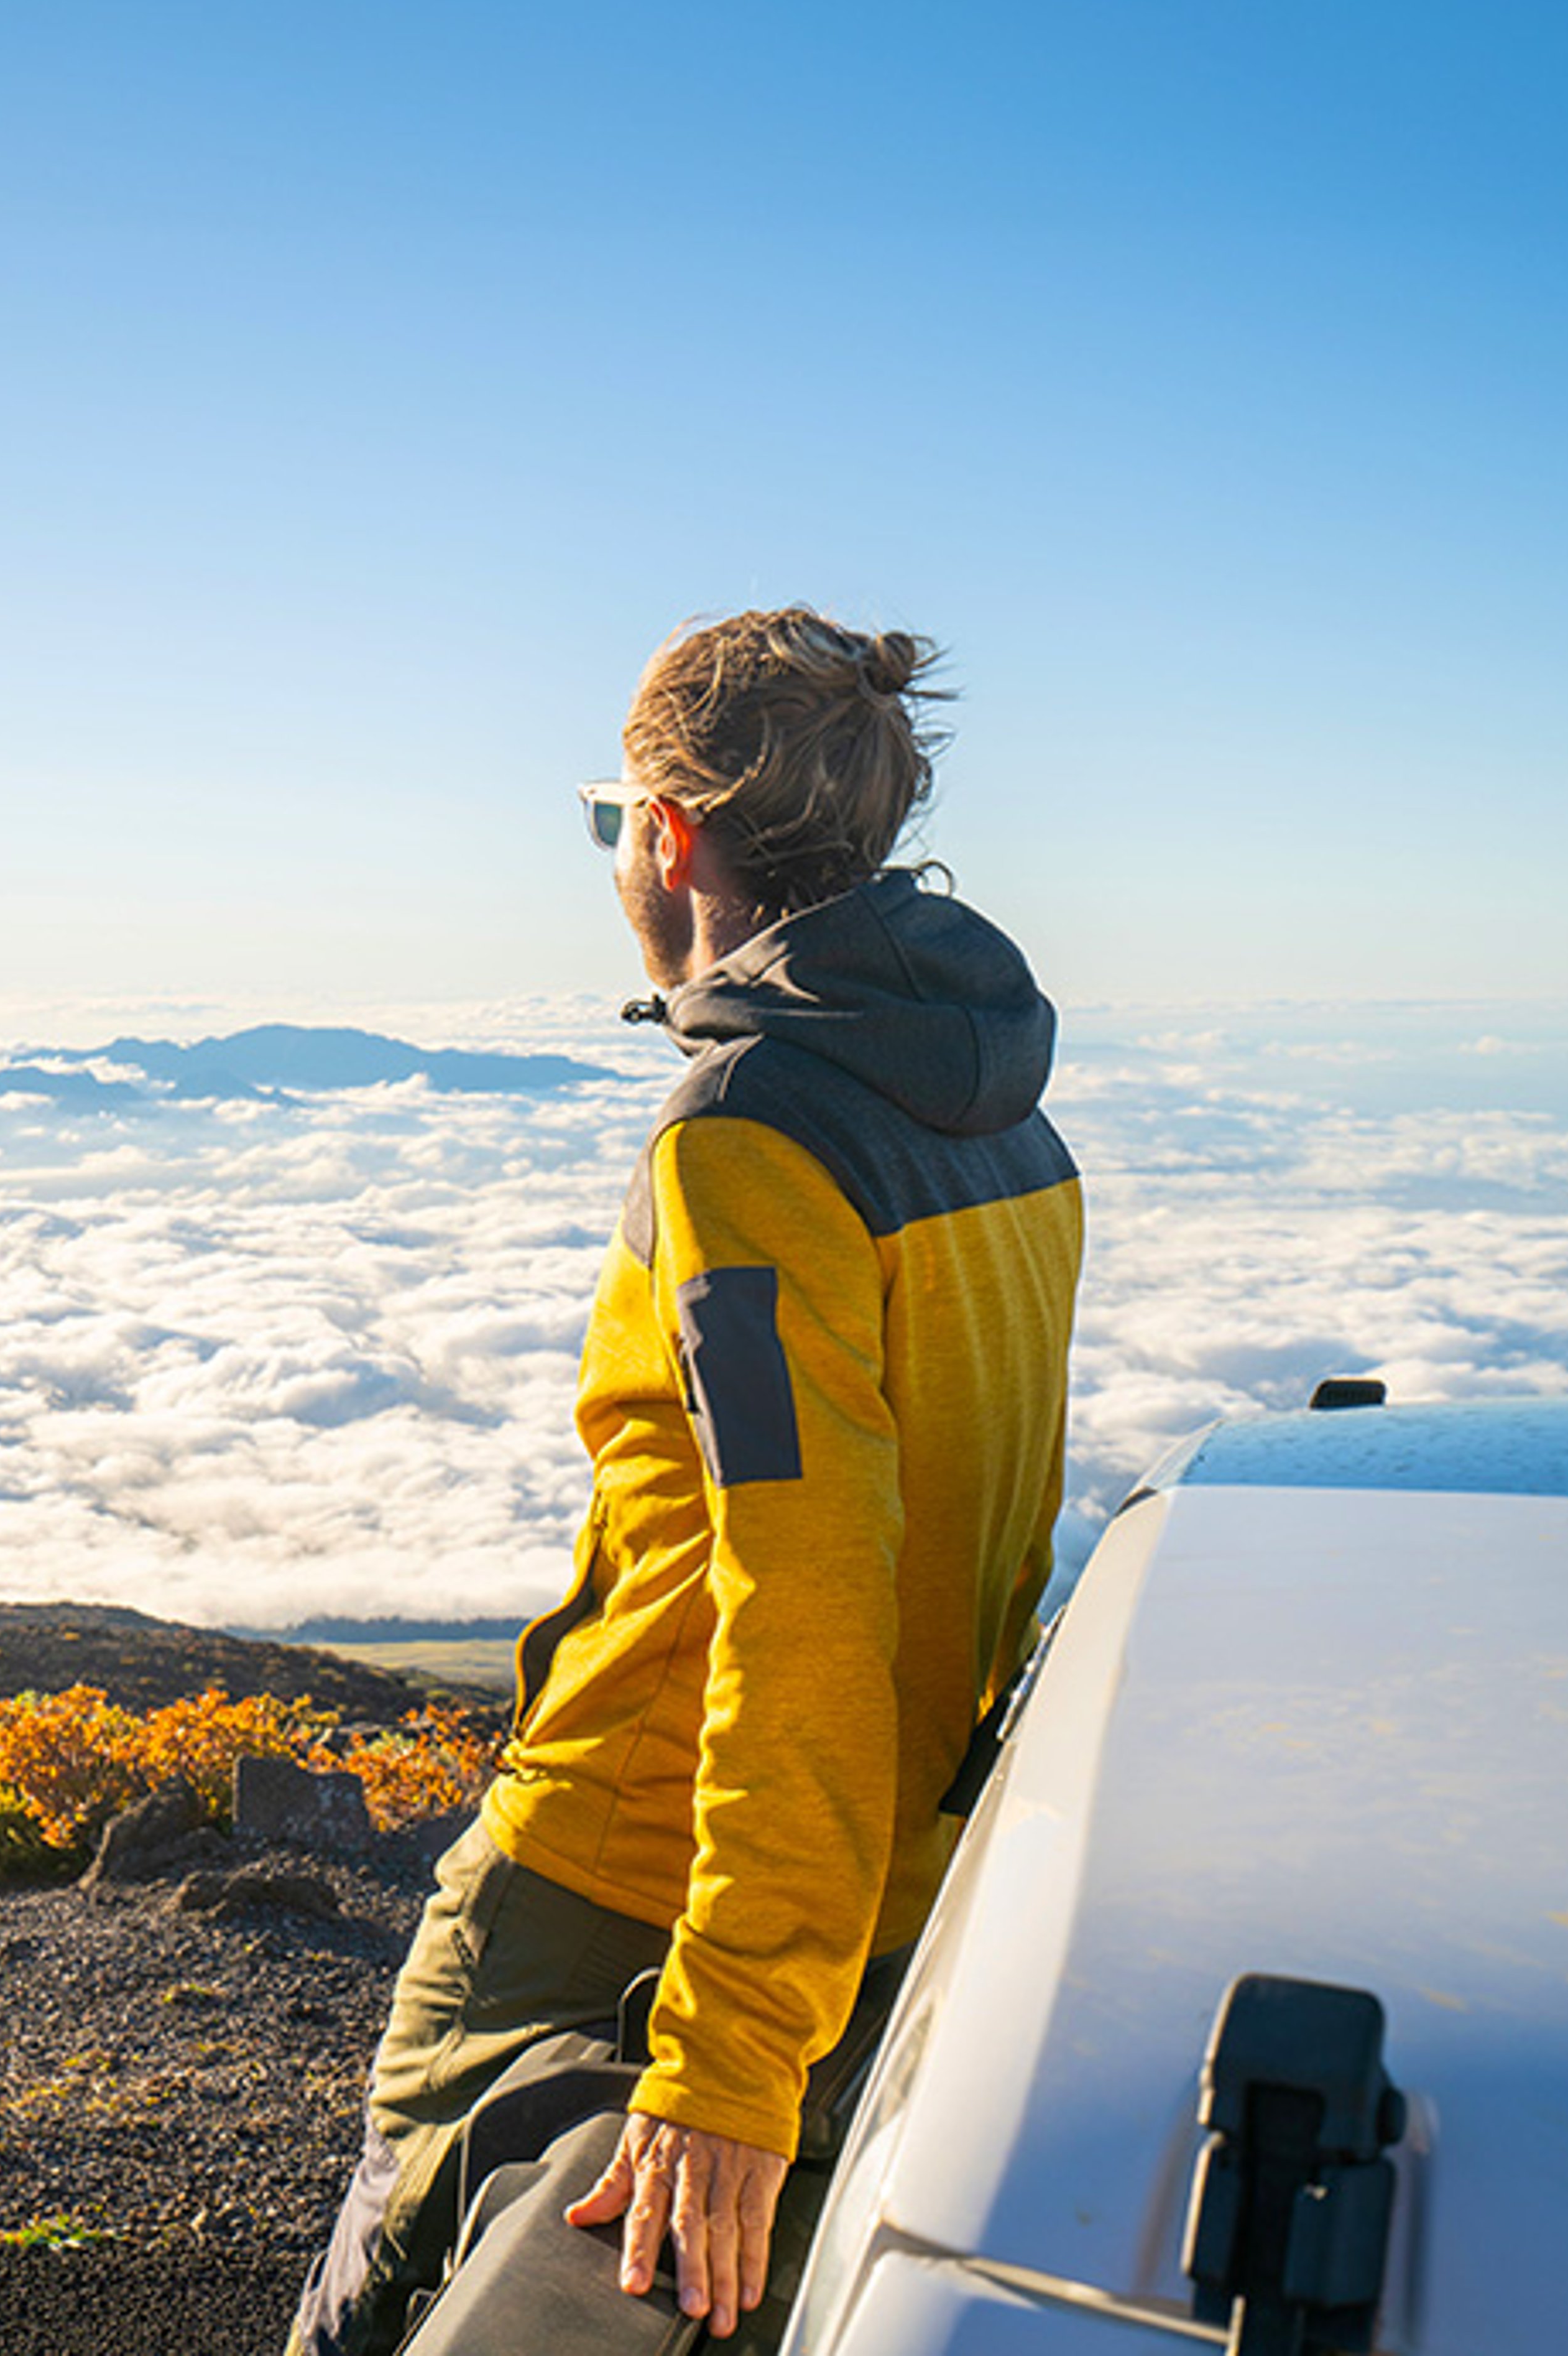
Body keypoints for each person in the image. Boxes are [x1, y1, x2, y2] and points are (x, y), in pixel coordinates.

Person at [287, 607, 1082, 2353]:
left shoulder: (749, 1141)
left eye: (609, 821)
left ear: (668, 834)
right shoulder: (1005, 1120)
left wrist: (725, 2054)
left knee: (397, 2284)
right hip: (866, 1889)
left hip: (626, 1874)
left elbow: (806, 1596)